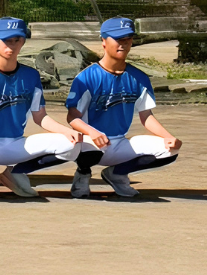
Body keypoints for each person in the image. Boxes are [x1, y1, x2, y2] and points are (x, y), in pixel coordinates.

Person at [0, 17, 82, 197]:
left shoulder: (31, 75)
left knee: (72, 145)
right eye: (6, 39)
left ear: (22, 42)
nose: (12, 45)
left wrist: (66, 131)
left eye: (17, 40)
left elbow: (40, 117)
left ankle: (16, 172)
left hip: (17, 143)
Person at [65, 17, 183, 198]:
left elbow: (146, 116)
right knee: (86, 148)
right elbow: (73, 117)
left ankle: (117, 174)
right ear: (104, 41)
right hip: (90, 143)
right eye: (118, 39)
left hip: (119, 143)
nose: (124, 43)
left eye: (128, 39)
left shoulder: (139, 77)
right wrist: (92, 133)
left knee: (169, 150)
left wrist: (168, 137)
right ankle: (83, 173)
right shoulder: (87, 77)